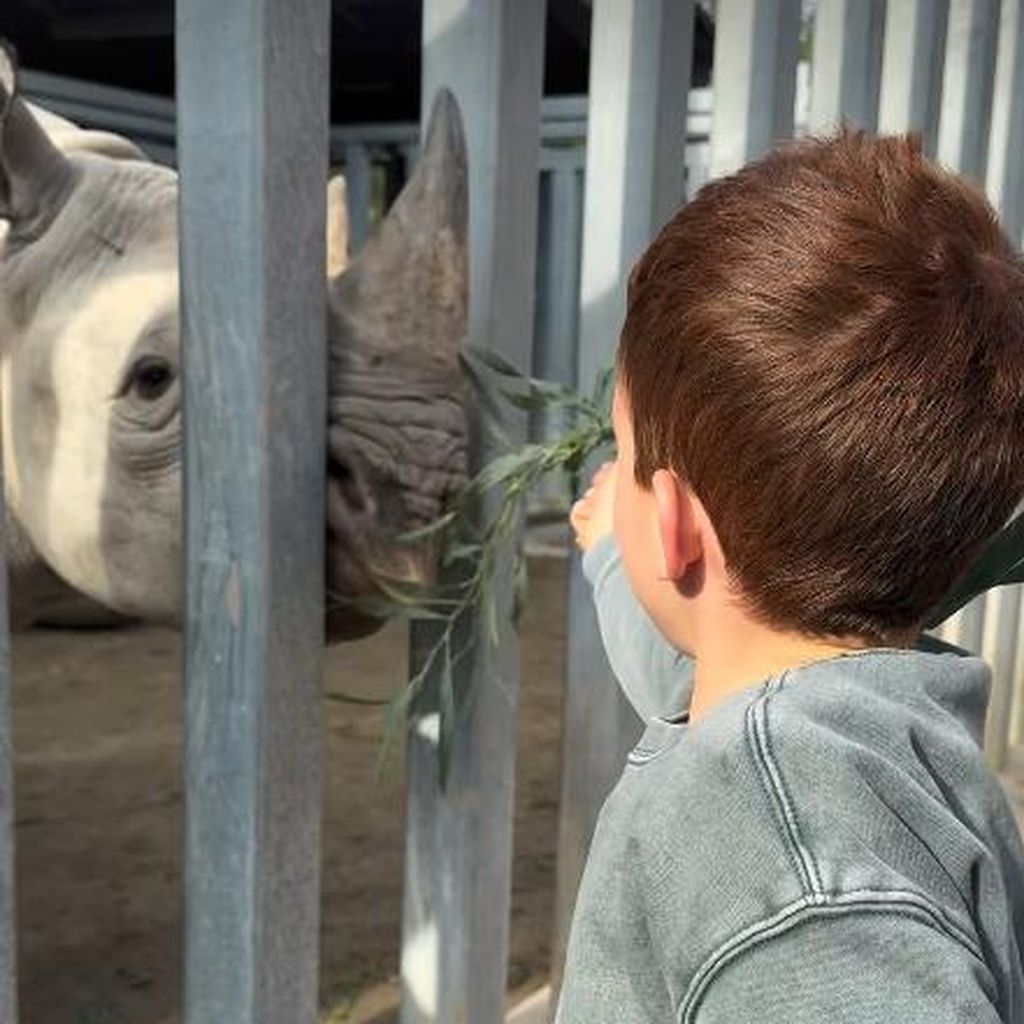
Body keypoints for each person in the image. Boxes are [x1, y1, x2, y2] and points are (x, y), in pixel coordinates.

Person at [556, 131, 1024, 1023]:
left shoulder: (793, 867)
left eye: (625, 458)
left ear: (676, 525)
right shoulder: (863, 724)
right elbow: (687, 672)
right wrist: (613, 549)